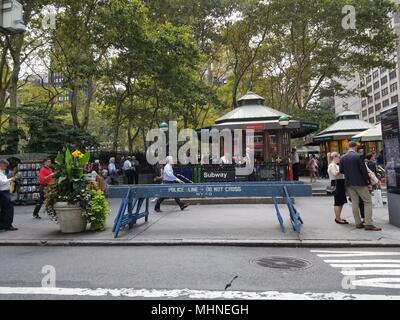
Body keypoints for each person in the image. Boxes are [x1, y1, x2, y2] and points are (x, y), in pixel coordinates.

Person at [340, 141, 381, 231]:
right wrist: (368, 183)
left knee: (355, 202)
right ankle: (368, 223)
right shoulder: (359, 156)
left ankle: (358, 223)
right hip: (360, 183)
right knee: (367, 202)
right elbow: (363, 171)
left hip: (349, 183)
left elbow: (342, 171)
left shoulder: (343, 157)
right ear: (355, 147)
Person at [327, 152, 348, 224]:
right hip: (337, 183)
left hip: (340, 183)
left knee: (341, 201)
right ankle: (338, 218)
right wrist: (341, 169)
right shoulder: (332, 165)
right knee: (338, 202)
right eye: (339, 157)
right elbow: (334, 173)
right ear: (334, 157)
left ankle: (338, 217)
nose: (340, 159)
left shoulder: (335, 165)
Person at [0, 159, 18, 231]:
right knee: (8, 209)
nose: (6, 167)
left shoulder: (2, 172)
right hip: (3, 192)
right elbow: (1, 182)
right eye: (5, 165)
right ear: (1, 164)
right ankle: (7, 225)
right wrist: (10, 179)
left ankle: (4, 225)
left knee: (5, 209)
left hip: (5, 192)